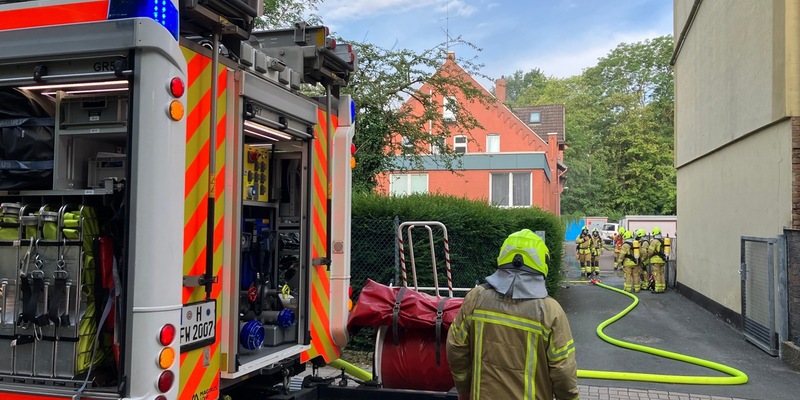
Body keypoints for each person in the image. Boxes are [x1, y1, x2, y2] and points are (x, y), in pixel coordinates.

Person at [446, 229, 579, 400]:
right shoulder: (550, 311)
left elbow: (456, 348)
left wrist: (463, 390)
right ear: (542, 263)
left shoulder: (476, 298)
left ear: (503, 256)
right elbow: (564, 372)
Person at [646, 227, 667, 293]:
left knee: (656, 274)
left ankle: (657, 289)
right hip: (662, 260)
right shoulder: (663, 241)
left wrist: (648, 256)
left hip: (656, 260)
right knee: (661, 274)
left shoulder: (654, 241)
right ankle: (662, 287)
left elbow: (650, 252)